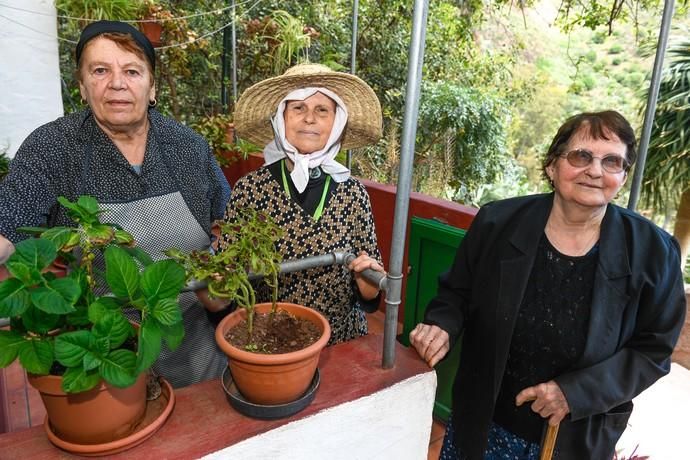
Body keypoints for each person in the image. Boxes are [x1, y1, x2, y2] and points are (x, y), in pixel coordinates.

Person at [409, 110, 686, 459]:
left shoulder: (654, 252)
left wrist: (575, 393)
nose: (595, 171)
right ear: (552, 166)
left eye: (612, 161)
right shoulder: (498, 222)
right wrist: (442, 324)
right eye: (581, 156)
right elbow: (456, 292)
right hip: (486, 421)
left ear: (623, 176)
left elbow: (653, 350)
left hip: (576, 434)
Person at [0, 21, 231, 388]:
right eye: (100, 70)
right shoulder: (53, 147)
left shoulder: (187, 146)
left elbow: (228, 222)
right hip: (106, 353)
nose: (117, 83)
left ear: (152, 87)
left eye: (132, 71)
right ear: (82, 86)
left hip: (196, 345)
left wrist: (221, 279)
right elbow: (8, 227)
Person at [202, 63, 385, 344]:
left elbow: (370, 294)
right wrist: (214, 292)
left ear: (336, 122)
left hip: (341, 343)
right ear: (280, 119)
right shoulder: (251, 189)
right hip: (270, 346)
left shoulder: (354, 193)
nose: (309, 118)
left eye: (322, 110)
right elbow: (229, 286)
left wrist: (367, 286)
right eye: (298, 108)